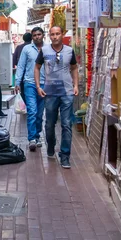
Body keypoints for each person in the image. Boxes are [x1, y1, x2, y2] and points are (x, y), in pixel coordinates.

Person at [34, 26, 79, 169]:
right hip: (50, 93)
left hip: (66, 93)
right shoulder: (44, 51)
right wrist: (38, 87)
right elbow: (37, 67)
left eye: (57, 34)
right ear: (49, 36)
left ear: (62, 34)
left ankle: (65, 156)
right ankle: (51, 146)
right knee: (49, 124)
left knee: (66, 124)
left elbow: (74, 68)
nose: (55, 37)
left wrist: (76, 85)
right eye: (52, 34)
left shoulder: (69, 51)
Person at [15, 27, 45, 151]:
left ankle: (37, 136)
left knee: (39, 113)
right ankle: (32, 138)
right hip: (29, 84)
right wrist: (17, 82)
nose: (37, 37)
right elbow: (21, 66)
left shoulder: (48, 49)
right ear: (32, 37)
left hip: (44, 85)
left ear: (43, 35)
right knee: (32, 111)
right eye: (34, 35)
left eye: (39, 34)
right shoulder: (27, 49)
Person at [13, 32, 32, 102]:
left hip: (22, 74)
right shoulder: (35, 47)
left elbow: (14, 61)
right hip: (33, 74)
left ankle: (25, 106)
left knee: (24, 91)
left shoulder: (19, 47)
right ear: (31, 38)